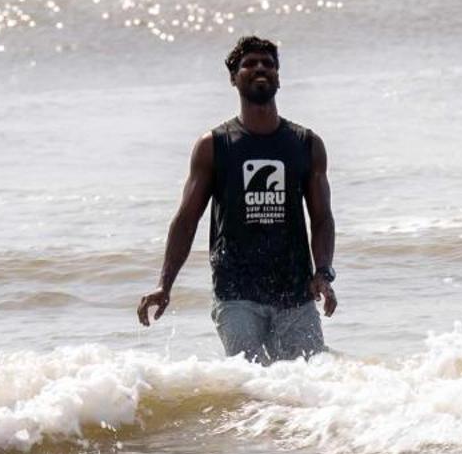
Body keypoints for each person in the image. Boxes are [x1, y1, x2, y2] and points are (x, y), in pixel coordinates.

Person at [136, 35, 337, 362]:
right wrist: (164, 285)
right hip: (236, 294)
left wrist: (323, 273)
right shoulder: (214, 145)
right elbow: (187, 220)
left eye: (268, 64)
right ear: (233, 78)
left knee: (309, 383)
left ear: (278, 77)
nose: (260, 68)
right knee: (253, 385)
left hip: (295, 293)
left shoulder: (306, 143)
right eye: (250, 64)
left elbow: (322, 218)